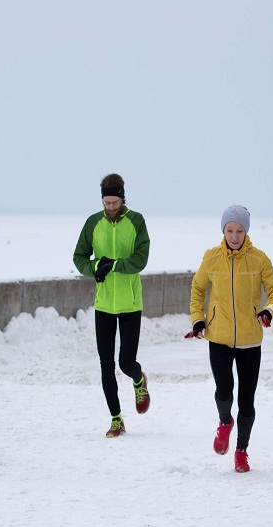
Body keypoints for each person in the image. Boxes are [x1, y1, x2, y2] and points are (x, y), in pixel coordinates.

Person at [188, 205, 273, 473]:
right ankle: (224, 422)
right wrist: (197, 319)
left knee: (247, 401)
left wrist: (269, 310)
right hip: (218, 336)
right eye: (229, 230)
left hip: (250, 340)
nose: (234, 236)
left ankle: (241, 451)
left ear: (246, 231)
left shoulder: (259, 259)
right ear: (223, 230)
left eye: (239, 230)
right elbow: (198, 289)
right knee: (223, 390)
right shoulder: (211, 258)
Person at [73, 174, 151, 438]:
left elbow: (140, 260)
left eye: (114, 202)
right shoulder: (93, 223)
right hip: (104, 305)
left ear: (123, 198)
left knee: (126, 362)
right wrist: (95, 266)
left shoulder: (136, 221)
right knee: (106, 364)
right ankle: (116, 419)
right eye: (106, 202)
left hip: (130, 303)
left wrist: (114, 264)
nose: (110, 207)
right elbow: (79, 257)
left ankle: (139, 380)